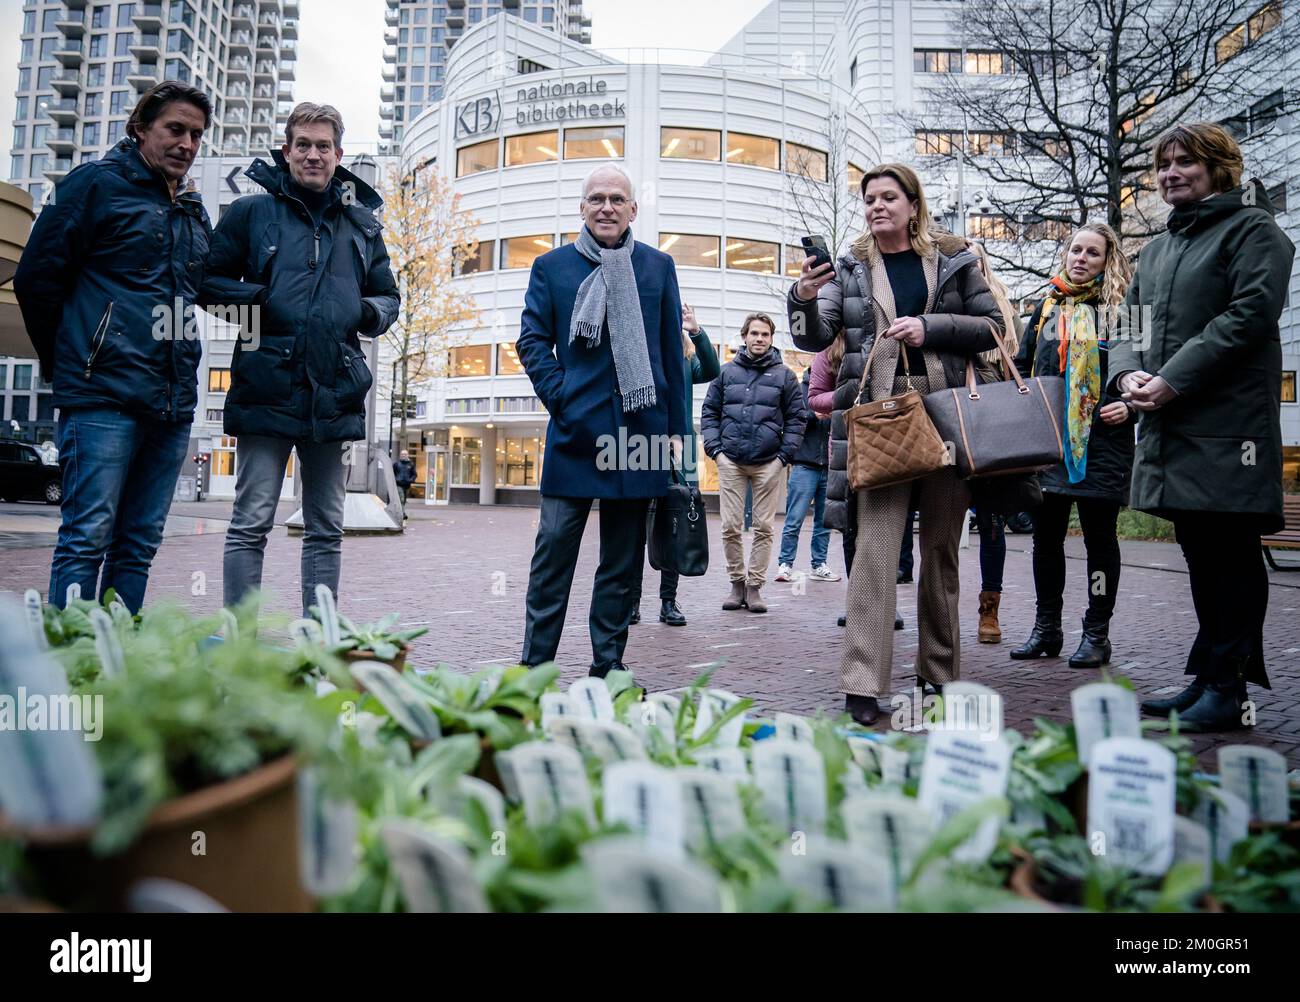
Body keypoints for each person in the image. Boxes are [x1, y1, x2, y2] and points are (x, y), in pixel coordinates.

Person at [789, 163, 1002, 725]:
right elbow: (815, 334)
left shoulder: (955, 260)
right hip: (880, 417)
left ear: (913, 205)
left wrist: (928, 327)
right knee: (875, 553)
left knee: (940, 553)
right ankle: (863, 684)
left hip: (946, 415)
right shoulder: (852, 268)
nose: (876, 207)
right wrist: (804, 296)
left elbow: (992, 330)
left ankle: (938, 678)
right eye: (868, 199)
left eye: (888, 197)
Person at [1110, 123, 1295, 732]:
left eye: (1184, 162)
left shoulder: (1254, 230)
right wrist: (1128, 378)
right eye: (1162, 166)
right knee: (1200, 551)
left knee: (1230, 552)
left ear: (1220, 166)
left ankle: (1228, 684)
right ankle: (1211, 677)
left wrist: (1173, 379)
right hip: (1173, 421)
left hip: (1228, 425)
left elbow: (1249, 315)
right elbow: (1130, 327)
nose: (1170, 175)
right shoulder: (1159, 249)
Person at [14, 81, 214, 613]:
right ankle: (76, 666)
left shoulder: (193, 210)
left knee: (139, 545)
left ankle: (118, 661)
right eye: (175, 129)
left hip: (171, 403)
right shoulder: (94, 185)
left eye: (197, 134)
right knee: (86, 537)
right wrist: (72, 361)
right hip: (101, 397)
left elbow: (207, 289)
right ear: (141, 128)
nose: (187, 143)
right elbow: (36, 278)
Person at [203, 102, 400, 616]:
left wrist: (361, 311)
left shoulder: (361, 226)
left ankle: (321, 640)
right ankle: (241, 645)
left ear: (339, 154)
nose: (313, 155)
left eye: (324, 146)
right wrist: (260, 302)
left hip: (333, 393)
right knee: (251, 522)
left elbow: (388, 297)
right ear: (287, 151)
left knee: (325, 530)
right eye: (303, 145)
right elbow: (205, 282)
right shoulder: (251, 214)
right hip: (264, 384)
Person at [516, 163, 687, 679]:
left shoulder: (658, 267)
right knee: (553, 557)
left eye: (617, 198)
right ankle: (535, 668)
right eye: (596, 199)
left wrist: (677, 433)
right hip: (575, 432)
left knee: (621, 562)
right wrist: (562, 396)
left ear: (634, 209)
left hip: (643, 434)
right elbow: (530, 342)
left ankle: (608, 665)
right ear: (582, 209)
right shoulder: (553, 267)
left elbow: (671, 356)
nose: (606, 207)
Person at [1009, 224, 1135, 666]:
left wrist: (1131, 407)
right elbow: (1022, 369)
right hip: (1050, 443)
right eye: (1075, 250)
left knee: (1100, 540)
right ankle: (1047, 629)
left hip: (1103, 443)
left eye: (1093, 253)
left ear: (1108, 261)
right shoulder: (1045, 310)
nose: (1080, 258)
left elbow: (1147, 373)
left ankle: (1096, 633)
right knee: (1046, 540)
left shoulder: (1125, 313)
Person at [700, 313, 807, 614]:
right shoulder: (726, 373)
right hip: (730, 460)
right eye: (755, 333)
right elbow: (709, 412)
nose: (760, 339)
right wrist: (716, 451)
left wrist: (783, 458)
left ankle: (754, 587)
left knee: (763, 527)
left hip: (768, 464)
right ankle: (737, 583)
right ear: (744, 336)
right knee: (731, 526)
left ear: (771, 339)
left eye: (765, 335)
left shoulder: (785, 376)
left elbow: (798, 419)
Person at [628, 303, 720, 626]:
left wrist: (696, 329)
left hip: (682, 448)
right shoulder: (640, 351)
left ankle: (668, 602)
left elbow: (711, 371)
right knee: (636, 528)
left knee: (675, 523)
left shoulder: (685, 353)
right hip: (642, 447)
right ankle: (631, 602)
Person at [810, 336, 904, 633]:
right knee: (851, 530)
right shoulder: (828, 351)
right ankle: (859, 601)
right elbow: (814, 397)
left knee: (885, 528)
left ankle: (888, 604)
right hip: (846, 449)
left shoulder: (884, 338)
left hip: (888, 444)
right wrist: (850, 394)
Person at [966, 239, 1024, 645]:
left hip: (991, 420)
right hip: (946, 415)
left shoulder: (1002, 306)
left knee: (990, 522)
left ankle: (990, 609)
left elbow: (1015, 363)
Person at [774, 365, 839, 584]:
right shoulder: (801, 389)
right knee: (794, 519)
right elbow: (790, 419)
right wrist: (814, 415)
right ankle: (785, 564)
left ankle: (819, 564)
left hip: (830, 466)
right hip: (805, 464)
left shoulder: (841, 388)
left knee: (824, 521)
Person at [393, 450, 417, 518]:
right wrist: (396, 479)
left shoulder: (411, 464)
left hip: (407, 485)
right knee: (401, 498)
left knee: (404, 500)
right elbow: (392, 473)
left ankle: (399, 511)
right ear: (400, 455)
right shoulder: (396, 464)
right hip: (399, 484)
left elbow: (414, 474)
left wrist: (411, 480)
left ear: (407, 455)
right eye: (402, 454)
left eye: (405, 454)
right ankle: (402, 513)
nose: (403, 455)